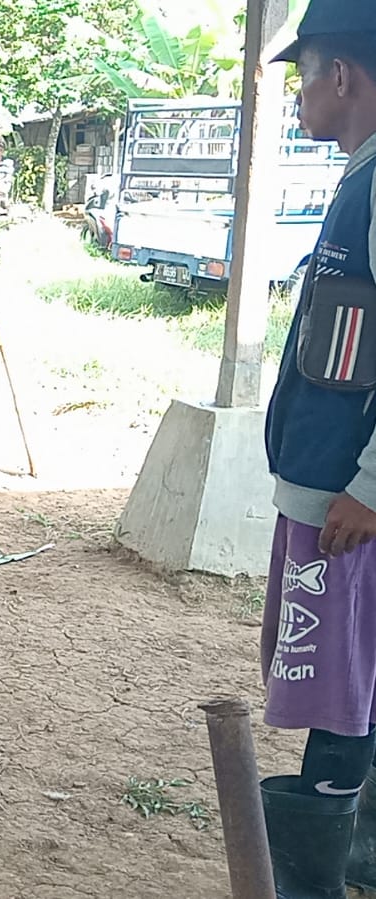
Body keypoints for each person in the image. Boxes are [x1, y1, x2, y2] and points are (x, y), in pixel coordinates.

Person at [256, 10, 376, 895]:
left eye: (304, 75)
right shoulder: (358, 178)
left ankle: (319, 882)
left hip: (346, 505)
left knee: (339, 697)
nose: (298, 94)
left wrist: (368, 484)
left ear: (342, 77)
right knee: (355, 686)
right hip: (332, 490)